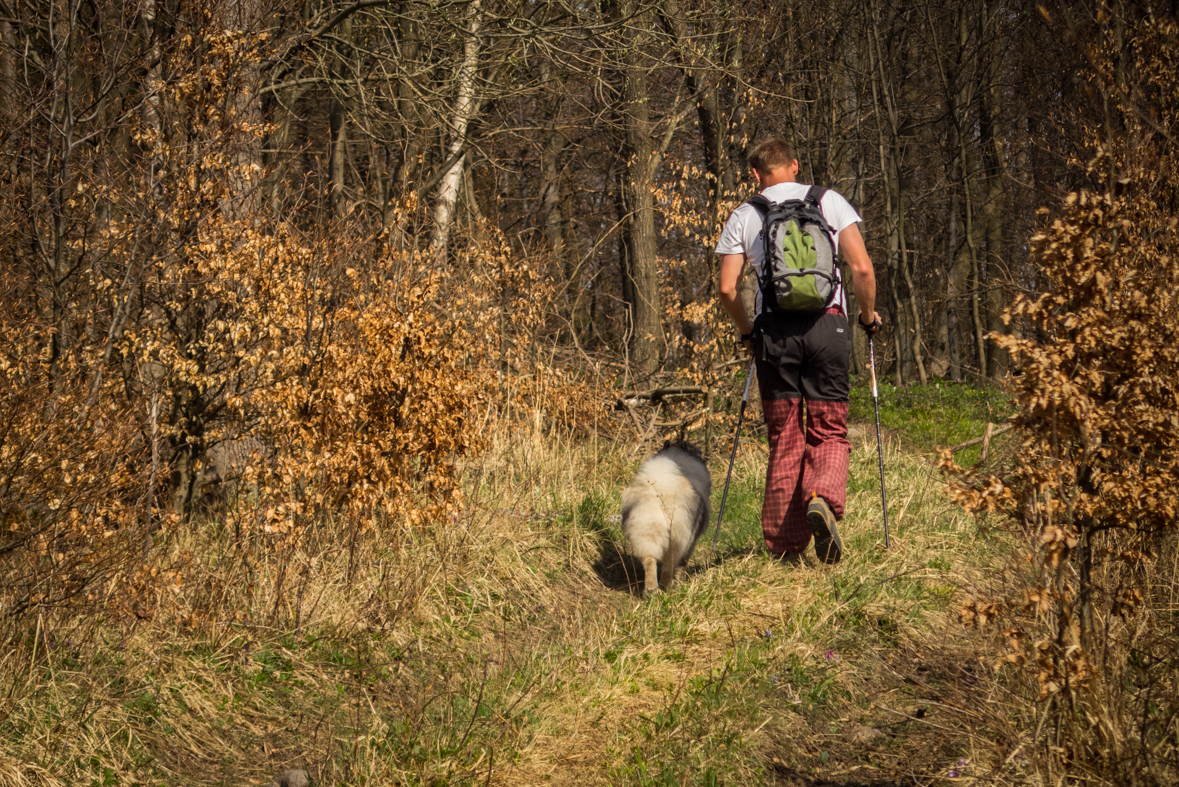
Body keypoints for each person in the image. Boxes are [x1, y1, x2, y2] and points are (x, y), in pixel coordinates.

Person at [715, 137, 880, 564]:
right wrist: (867, 315)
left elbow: (727, 288)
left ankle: (786, 548)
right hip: (829, 327)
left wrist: (748, 331)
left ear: (755, 174)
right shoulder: (828, 201)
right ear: (794, 164)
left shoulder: (745, 215)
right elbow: (861, 267)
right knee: (829, 430)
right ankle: (822, 499)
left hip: (774, 336)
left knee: (785, 437)